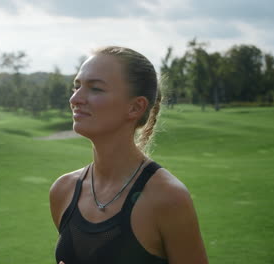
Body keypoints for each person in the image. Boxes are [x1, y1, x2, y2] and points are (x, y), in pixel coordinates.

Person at [49, 46, 208, 264]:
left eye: (95, 89)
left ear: (135, 107)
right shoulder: (63, 191)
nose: (75, 99)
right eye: (76, 87)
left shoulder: (168, 198)